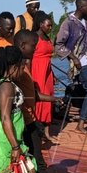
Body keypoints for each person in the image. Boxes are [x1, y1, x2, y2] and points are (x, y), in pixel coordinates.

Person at [15, 29, 61, 173]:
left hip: (29, 119)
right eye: (33, 46)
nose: (35, 50)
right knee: (37, 163)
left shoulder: (24, 66)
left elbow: (32, 94)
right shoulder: (16, 68)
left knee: (32, 162)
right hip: (22, 122)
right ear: (22, 46)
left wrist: (54, 99)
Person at [54, 0, 87, 138]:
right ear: (81, 7)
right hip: (80, 63)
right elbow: (59, 45)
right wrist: (73, 58)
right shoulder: (68, 23)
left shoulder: (85, 22)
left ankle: (81, 124)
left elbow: (86, 42)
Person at [30, 12, 57, 140]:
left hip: (48, 72)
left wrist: (53, 73)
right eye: (48, 25)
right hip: (37, 70)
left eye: (51, 26)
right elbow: (29, 57)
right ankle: (38, 130)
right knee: (39, 98)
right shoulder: (34, 38)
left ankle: (47, 132)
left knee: (49, 99)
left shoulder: (47, 37)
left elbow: (48, 58)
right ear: (41, 25)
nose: (50, 28)